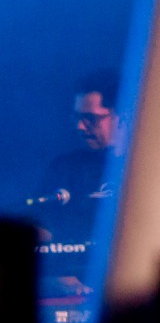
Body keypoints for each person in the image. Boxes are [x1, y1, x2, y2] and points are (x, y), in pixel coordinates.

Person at [32, 69, 124, 243]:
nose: (80, 126)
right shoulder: (63, 168)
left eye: (91, 118)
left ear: (123, 117)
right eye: (77, 117)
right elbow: (43, 226)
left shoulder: (147, 167)